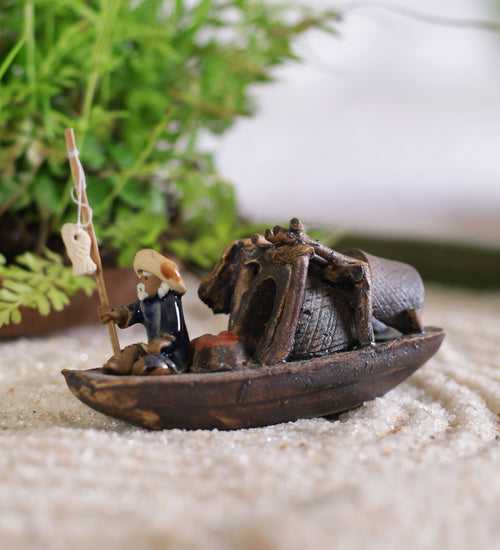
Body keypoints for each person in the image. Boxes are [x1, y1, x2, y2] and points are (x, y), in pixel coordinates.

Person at [99, 249, 191, 375]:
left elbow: (176, 330)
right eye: (141, 278)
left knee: (145, 365)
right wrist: (117, 314)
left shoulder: (170, 300)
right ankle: (120, 365)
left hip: (172, 353)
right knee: (133, 350)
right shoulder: (146, 303)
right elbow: (131, 311)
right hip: (152, 348)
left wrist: (163, 343)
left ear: (161, 280)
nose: (141, 283)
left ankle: (157, 369)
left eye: (146, 278)